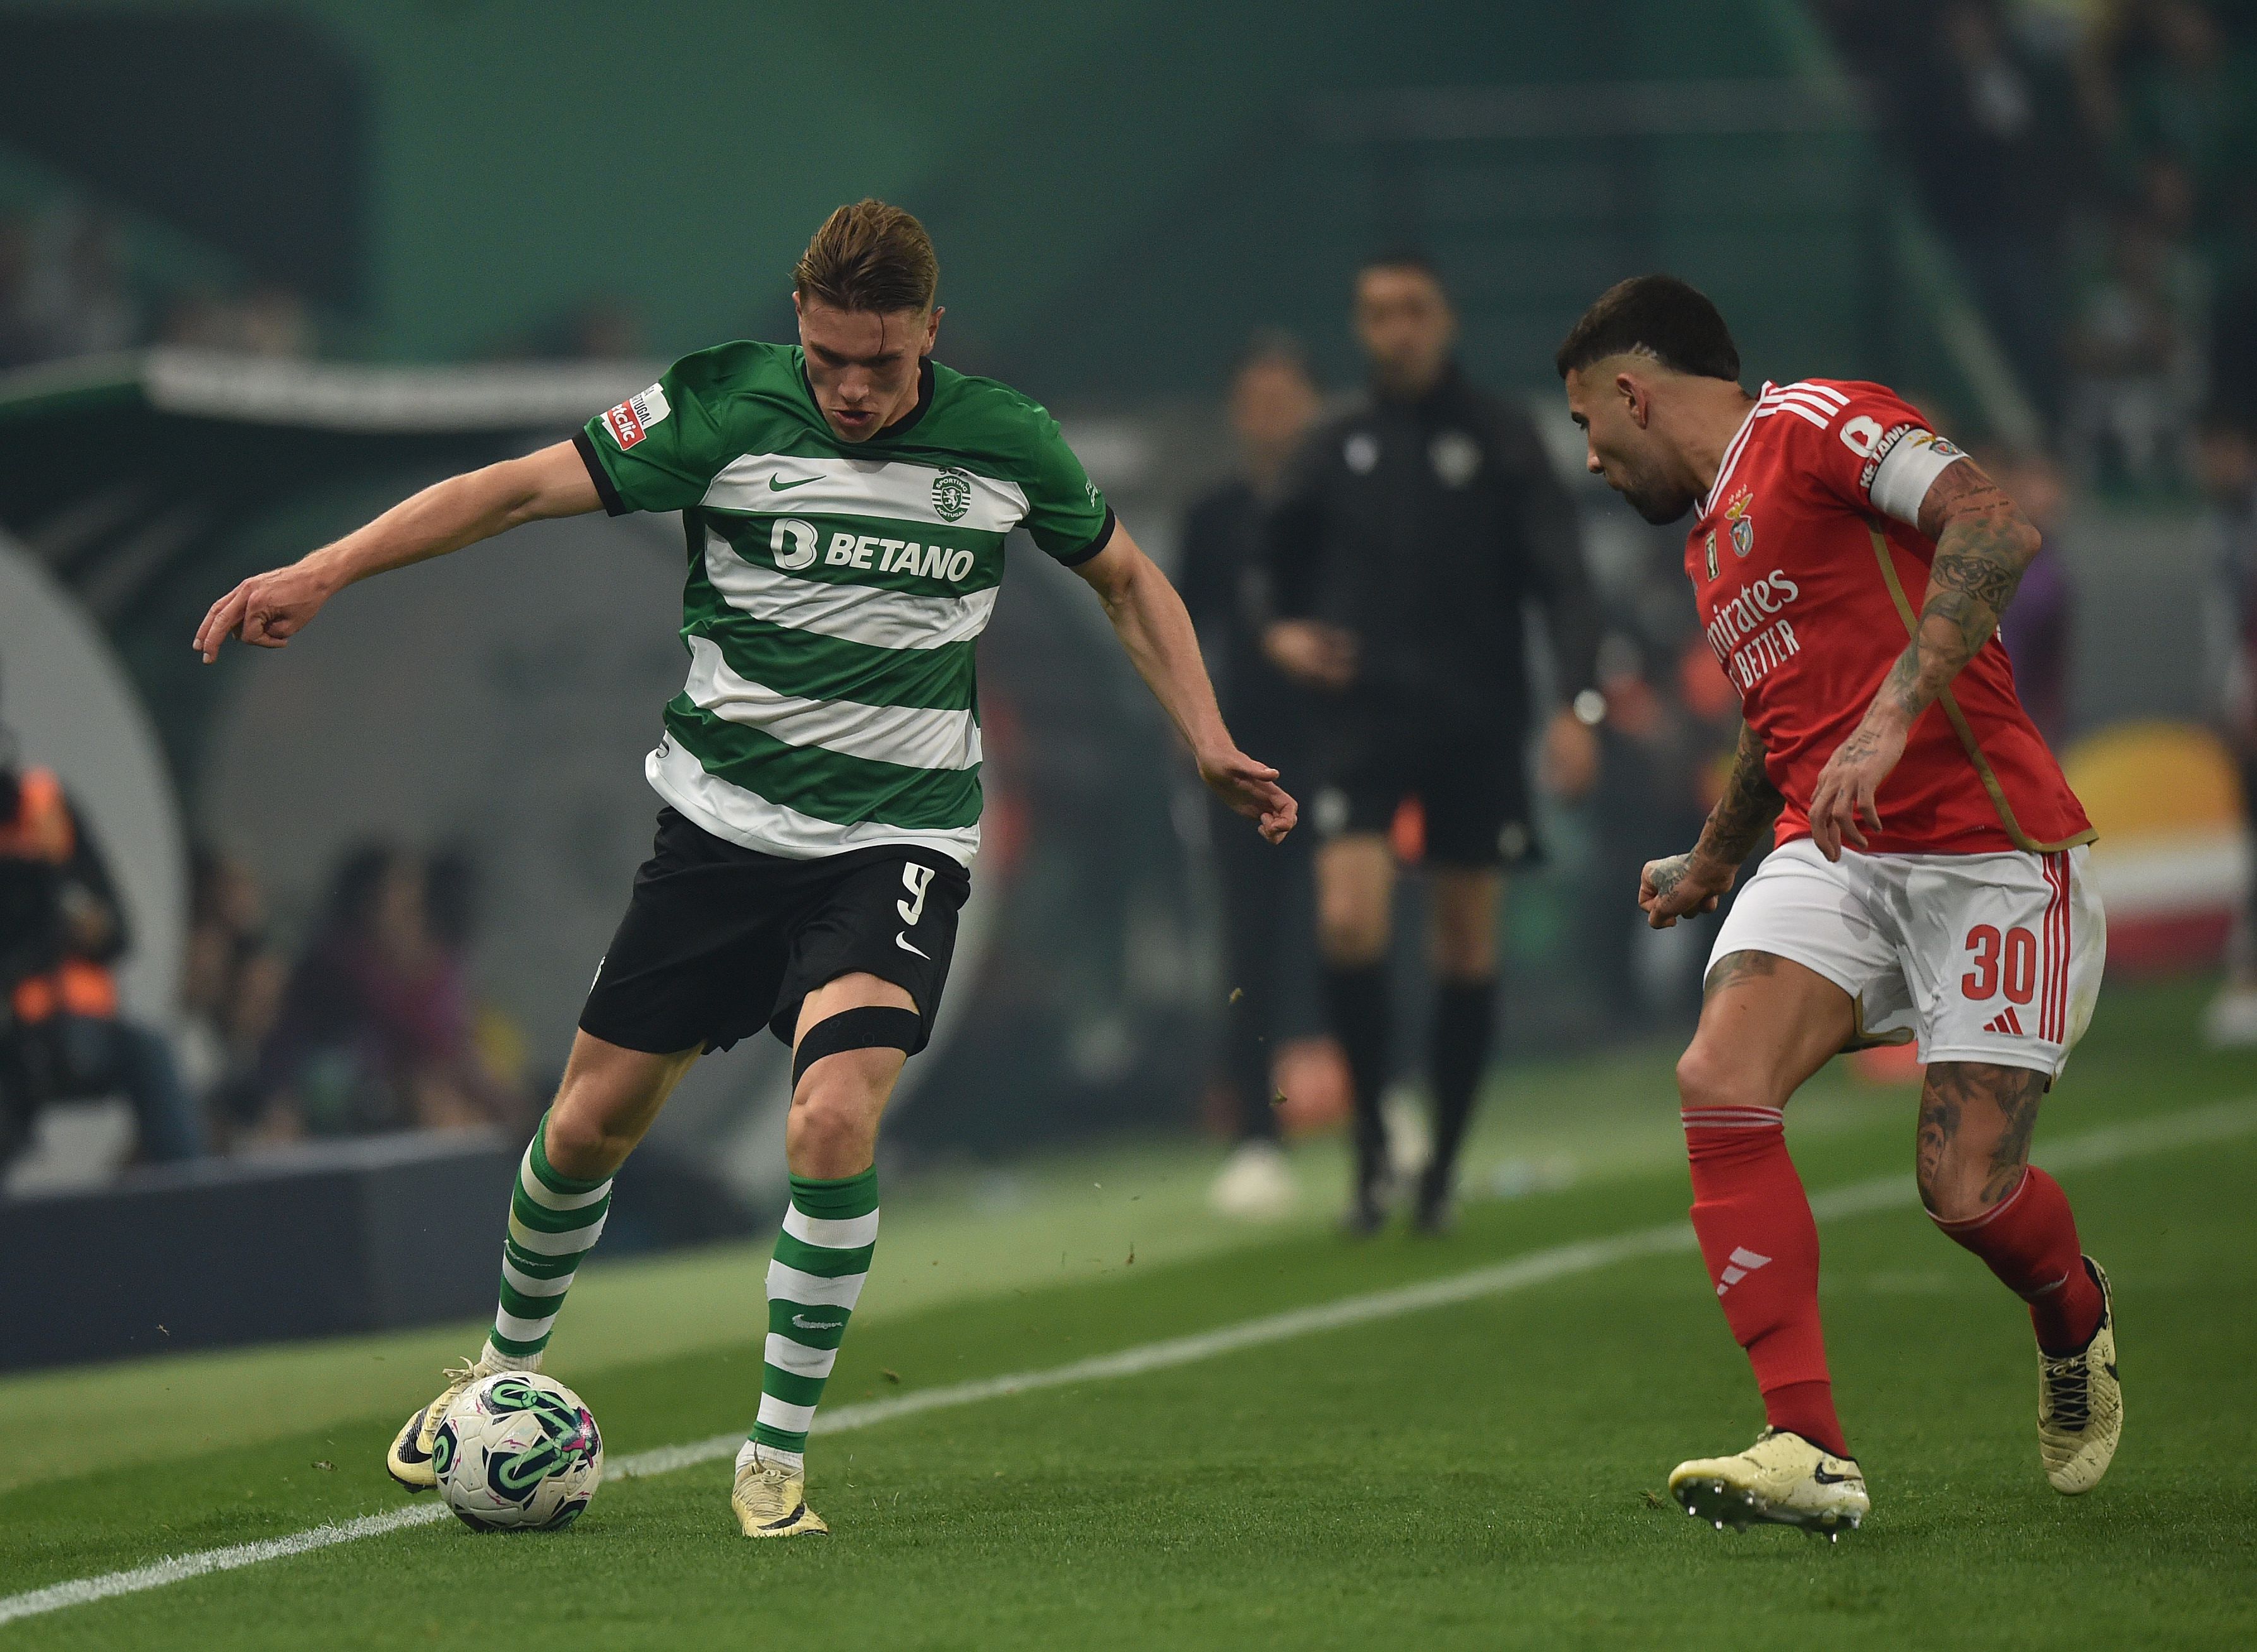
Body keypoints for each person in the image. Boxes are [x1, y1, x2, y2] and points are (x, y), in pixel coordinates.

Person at [194, 199, 1295, 1539]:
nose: (849, 389)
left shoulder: (1006, 442)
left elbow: (1125, 580)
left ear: (929, 338)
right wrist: (326, 568)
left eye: (880, 366)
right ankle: (495, 1375)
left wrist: (1207, 737)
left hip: (894, 842)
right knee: (586, 1126)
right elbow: (515, 490)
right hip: (717, 837)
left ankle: (771, 1461)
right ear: (799, 327)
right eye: (828, 357)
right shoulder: (720, 408)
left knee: (830, 1119)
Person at [1557, 275, 2117, 1538]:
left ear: (1633, 393)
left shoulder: (1814, 424)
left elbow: (1992, 529)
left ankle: (2070, 1314)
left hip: (1989, 850)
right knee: (1717, 1075)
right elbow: (1779, 720)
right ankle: (1804, 1441)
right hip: (1834, 852)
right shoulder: (1709, 540)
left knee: (1962, 1193)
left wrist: (1887, 719)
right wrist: (1712, 858)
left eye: (1588, 425)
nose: (1589, 459)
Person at [1263, 253, 1601, 1234]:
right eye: (1376, 313)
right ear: (1360, 326)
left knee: (1463, 943)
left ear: (1443, 319)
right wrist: (1280, 632)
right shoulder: (1334, 445)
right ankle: (1371, 1143)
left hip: (1475, 722)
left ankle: (1439, 1168)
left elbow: (1563, 580)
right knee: (1346, 918)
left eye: (1411, 310)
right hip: (1361, 722)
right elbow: (1266, 572)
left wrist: (1574, 706)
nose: (1395, 329)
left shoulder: (1499, 439)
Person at [1179, 334, 1324, 1219]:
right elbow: (1182, 635)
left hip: (1337, 752)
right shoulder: (1211, 516)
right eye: (1254, 396)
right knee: (1250, 946)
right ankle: (1254, 1138)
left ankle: (1384, 1101)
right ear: (1237, 410)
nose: (1269, 413)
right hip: (1245, 761)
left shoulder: (1341, 505)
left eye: (1284, 395)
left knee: (1352, 929)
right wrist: (1194, 738)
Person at [0, 691, 202, 1170]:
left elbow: (116, 932)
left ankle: (195, 1203)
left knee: (149, 1053)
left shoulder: (45, 809)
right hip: (9, 1039)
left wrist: (82, 925)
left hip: (68, 1027)